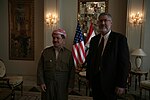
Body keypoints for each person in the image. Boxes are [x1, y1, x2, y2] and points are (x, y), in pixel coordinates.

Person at [86, 13, 130, 100]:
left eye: (105, 20)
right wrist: (88, 78)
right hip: (95, 82)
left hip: (111, 83)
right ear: (98, 23)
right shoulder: (94, 40)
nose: (103, 23)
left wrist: (121, 84)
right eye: (100, 21)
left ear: (111, 23)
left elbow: (124, 63)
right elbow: (90, 60)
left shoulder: (119, 39)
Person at [37, 28, 75, 100]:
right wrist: (41, 82)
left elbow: (72, 71)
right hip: (48, 83)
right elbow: (40, 68)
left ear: (63, 40)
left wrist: (70, 86)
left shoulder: (68, 54)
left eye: (57, 38)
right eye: (54, 38)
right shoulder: (46, 52)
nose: (55, 40)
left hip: (62, 84)